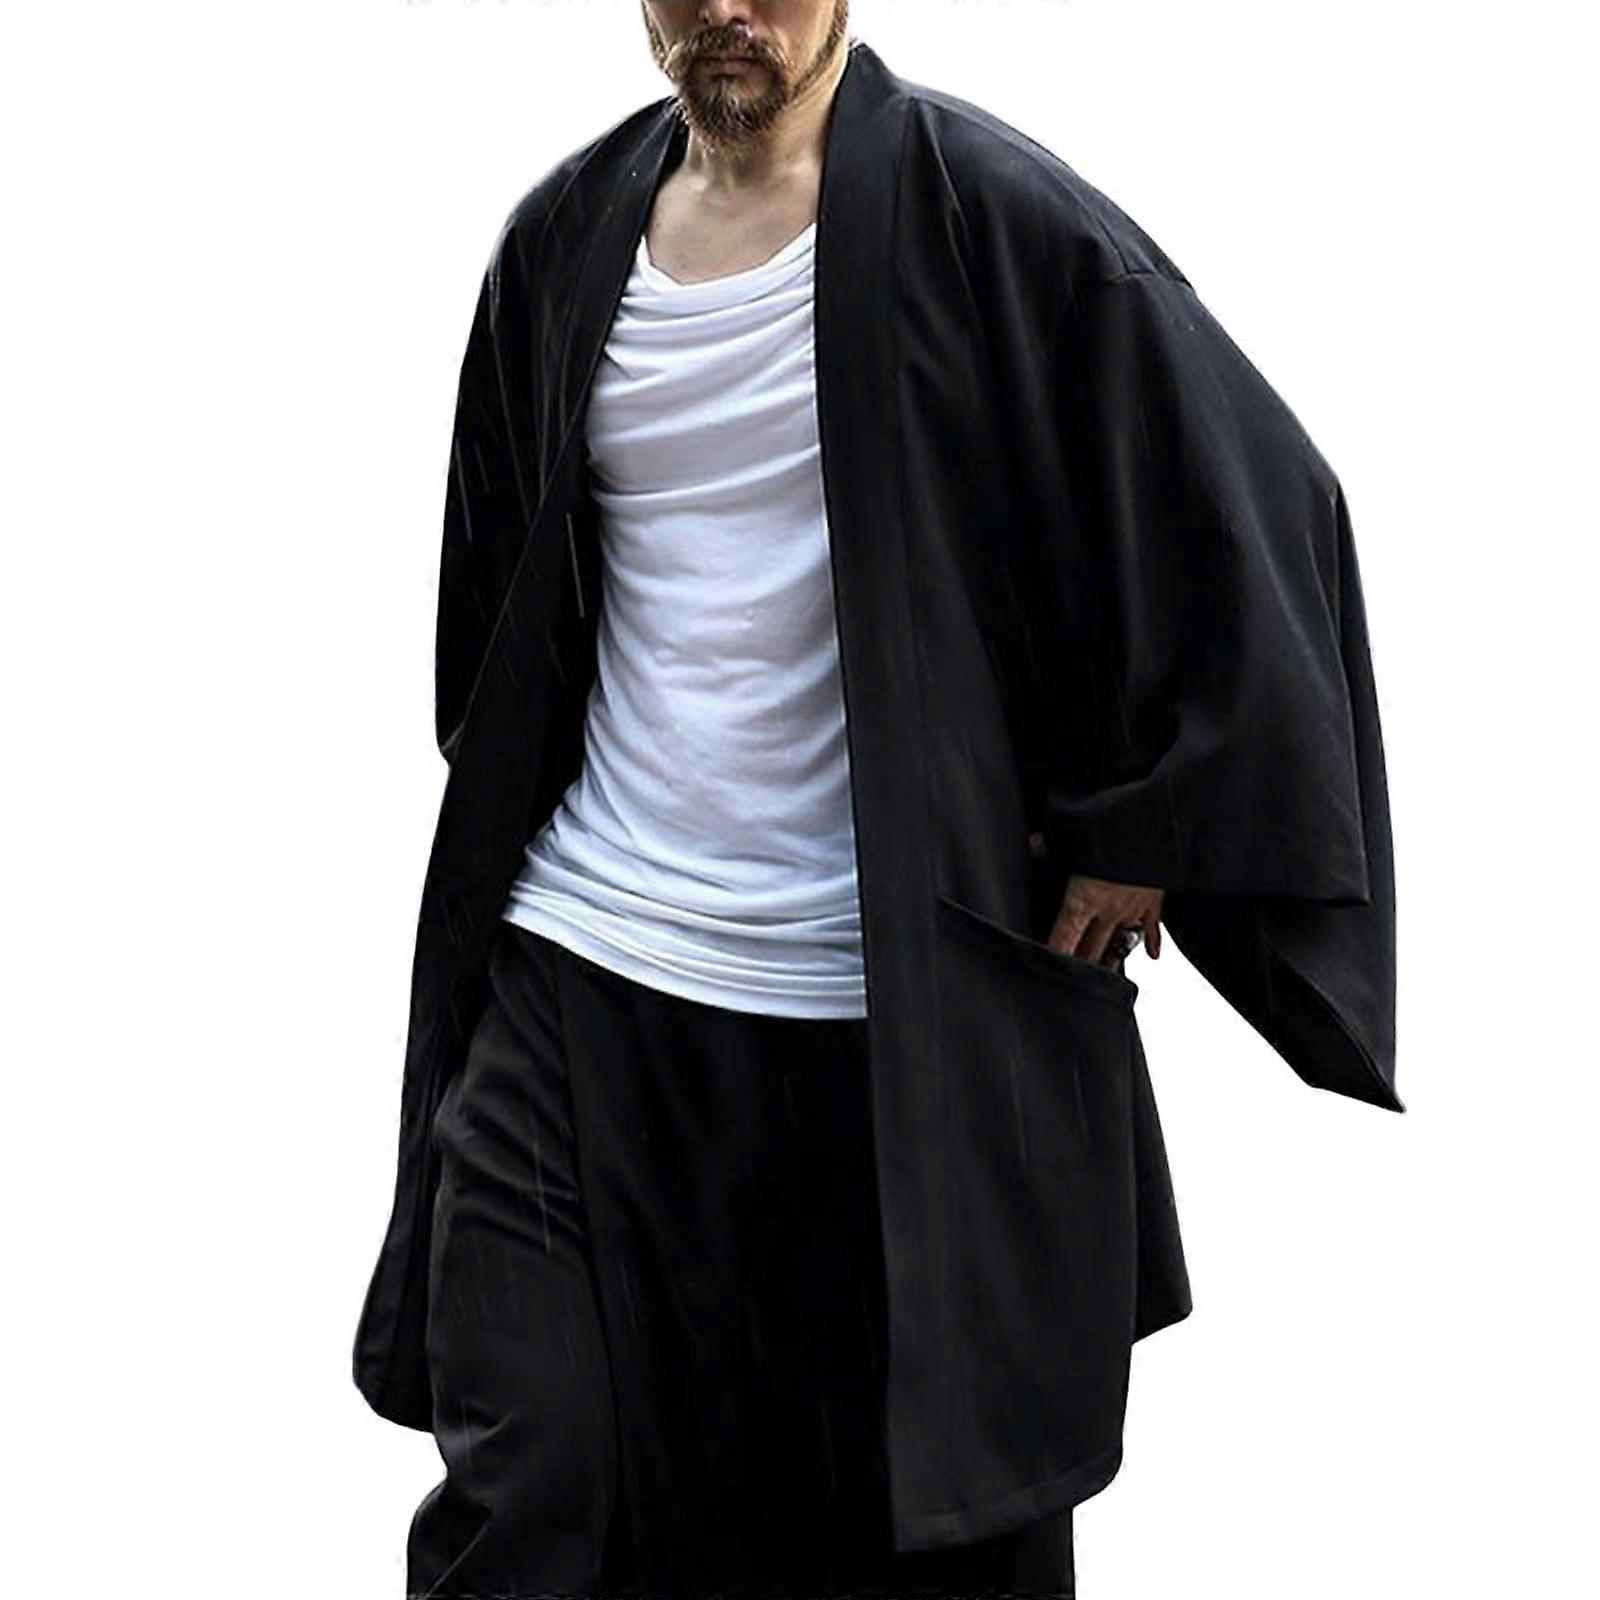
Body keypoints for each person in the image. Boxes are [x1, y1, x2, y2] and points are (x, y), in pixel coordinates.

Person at [357, 5, 1400, 1596]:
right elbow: (493, 626)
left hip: (883, 1018)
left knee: (907, 1530)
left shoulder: (1000, 221)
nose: (730, 9)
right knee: (533, 1482)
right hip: (583, 974)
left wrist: (1147, 821)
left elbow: (1254, 509)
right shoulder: (564, 239)